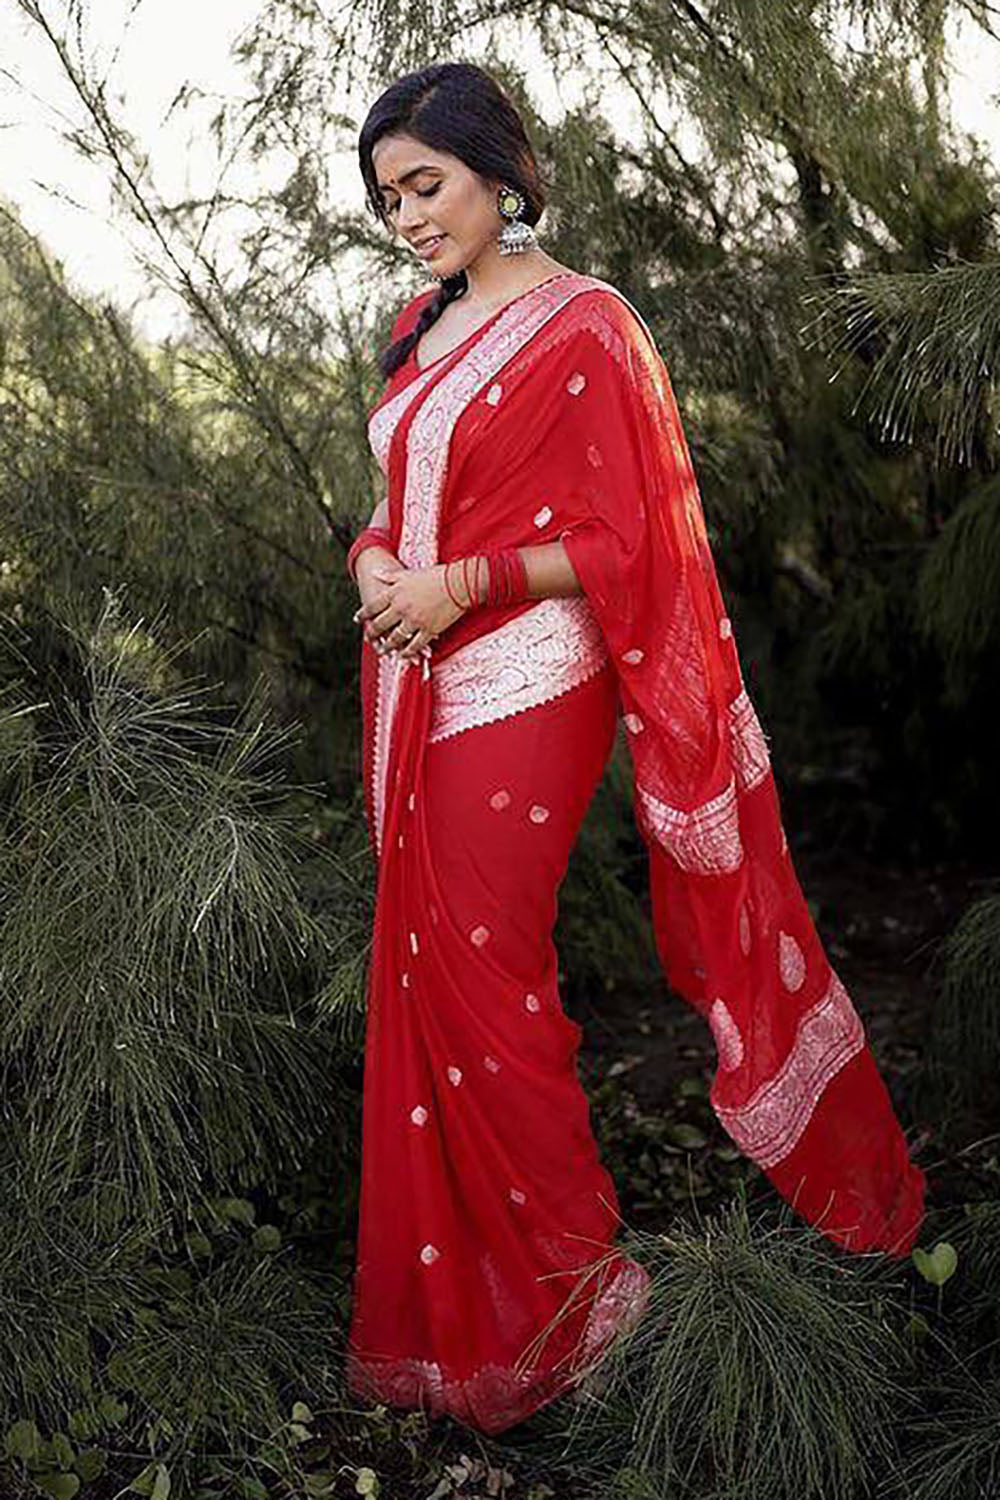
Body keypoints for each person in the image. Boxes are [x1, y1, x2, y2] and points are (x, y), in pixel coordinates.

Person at [343, 61, 927, 1436]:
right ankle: (479, 1304)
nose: (409, 216)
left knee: (490, 975)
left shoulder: (586, 326)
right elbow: (396, 499)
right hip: (413, 676)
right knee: (435, 973)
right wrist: (377, 562)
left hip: (528, 683)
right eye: (388, 198)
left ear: (497, 170)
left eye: (426, 184)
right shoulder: (414, 330)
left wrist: (459, 588)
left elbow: (626, 541)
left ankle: (581, 1295)